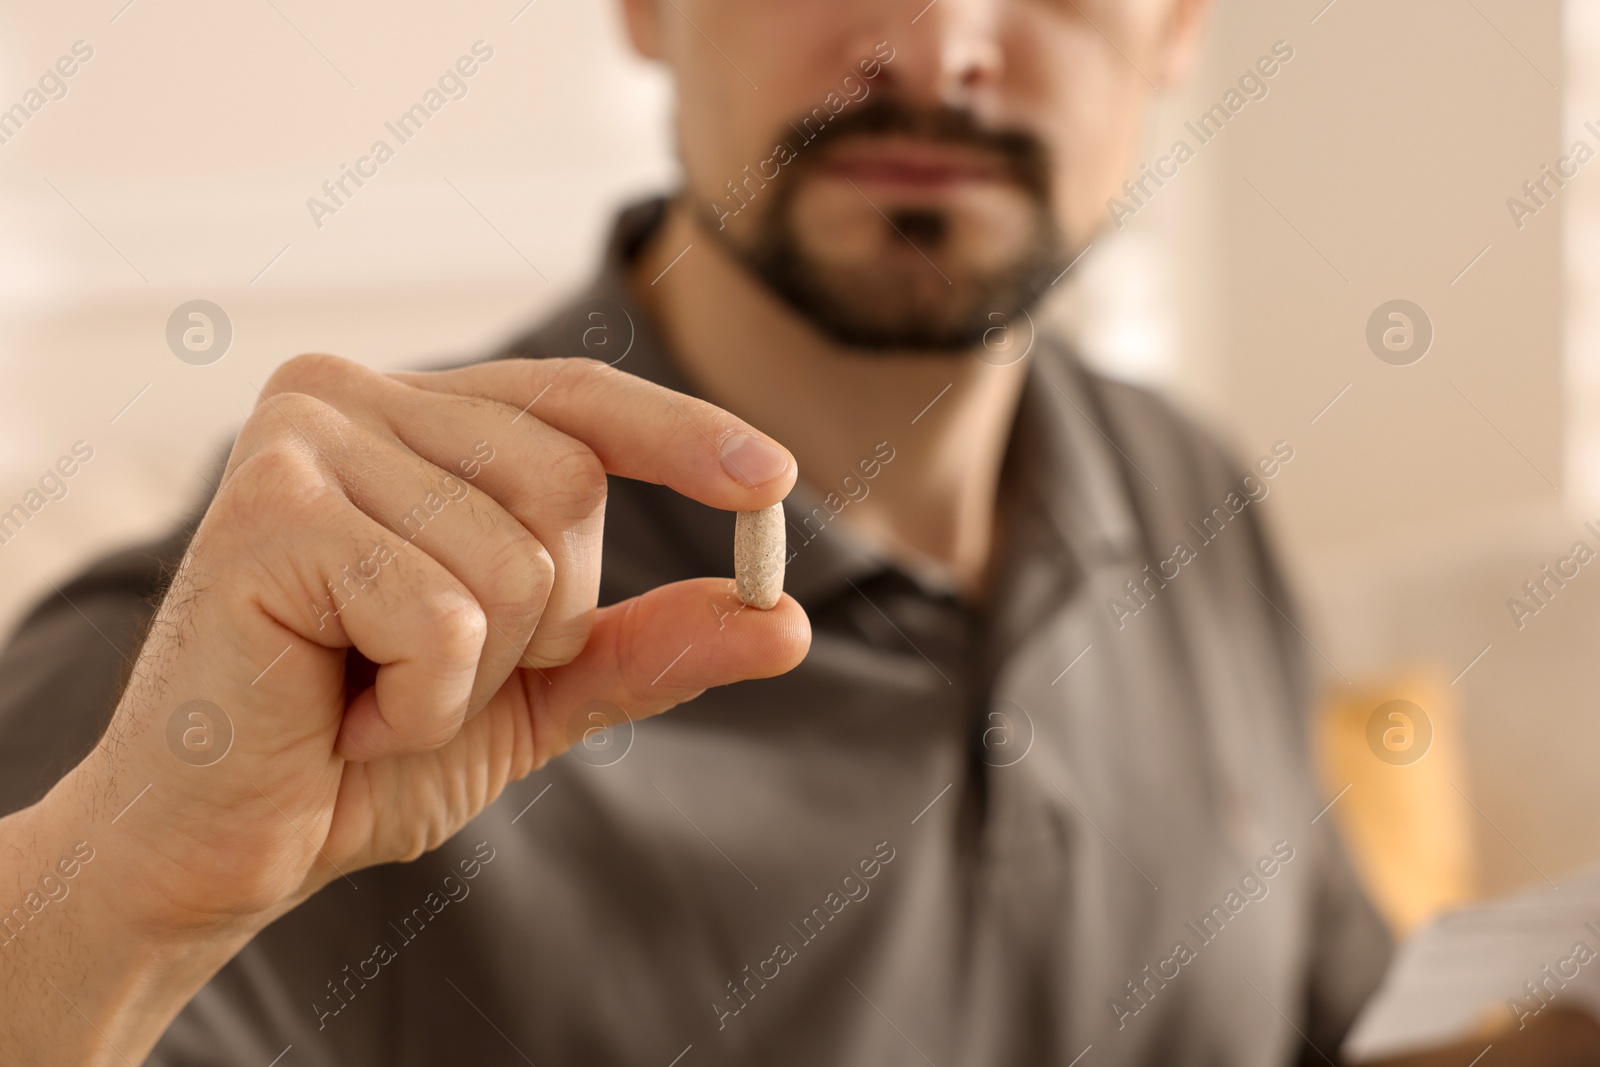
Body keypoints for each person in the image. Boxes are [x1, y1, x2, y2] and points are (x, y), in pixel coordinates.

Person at [0, 0, 1596, 1063]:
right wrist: (104, 898)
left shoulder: (1189, 490)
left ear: (1175, 25)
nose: (941, 45)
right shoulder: (298, 645)